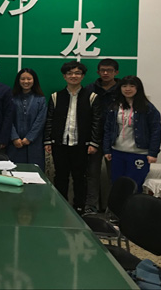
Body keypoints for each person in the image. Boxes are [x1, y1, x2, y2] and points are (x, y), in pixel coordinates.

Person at [44, 61, 102, 214]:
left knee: (80, 177)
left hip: (82, 145)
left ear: (83, 76)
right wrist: (48, 140)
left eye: (77, 73)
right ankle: (59, 206)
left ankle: (79, 208)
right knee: (60, 176)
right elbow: (49, 119)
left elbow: (97, 121)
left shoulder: (92, 97)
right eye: (69, 73)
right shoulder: (56, 96)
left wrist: (94, 143)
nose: (73, 76)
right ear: (64, 76)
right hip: (59, 144)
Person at [103, 75, 161, 192]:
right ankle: (119, 205)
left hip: (139, 153)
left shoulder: (148, 108)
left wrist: (153, 153)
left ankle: (133, 205)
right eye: (124, 86)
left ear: (138, 88)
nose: (127, 89)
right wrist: (107, 149)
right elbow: (108, 129)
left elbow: (156, 131)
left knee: (134, 186)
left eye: (131, 86)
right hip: (117, 152)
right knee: (117, 185)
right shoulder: (115, 107)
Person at [84, 58, 120, 213]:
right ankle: (91, 207)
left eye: (109, 70)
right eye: (103, 70)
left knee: (115, 175)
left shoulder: (122, 89)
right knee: (92, 174)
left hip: (116, 138)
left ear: (116, 72)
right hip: (95, 137)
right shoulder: (90, 89)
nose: (106, 73)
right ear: (98, 72)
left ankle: (113, 209)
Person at [7, 68, 47, 168]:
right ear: (18, 80)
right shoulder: (11, 98)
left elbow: (40, 121)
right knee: (14, 172)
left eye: (29, 79)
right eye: (22, 79)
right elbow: (7, 119)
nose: (26, 81)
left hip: (34, 144)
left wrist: (29, 138)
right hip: (15, 144)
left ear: (34, 80)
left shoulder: (40, 99)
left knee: (35, 172)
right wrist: (14, 137)